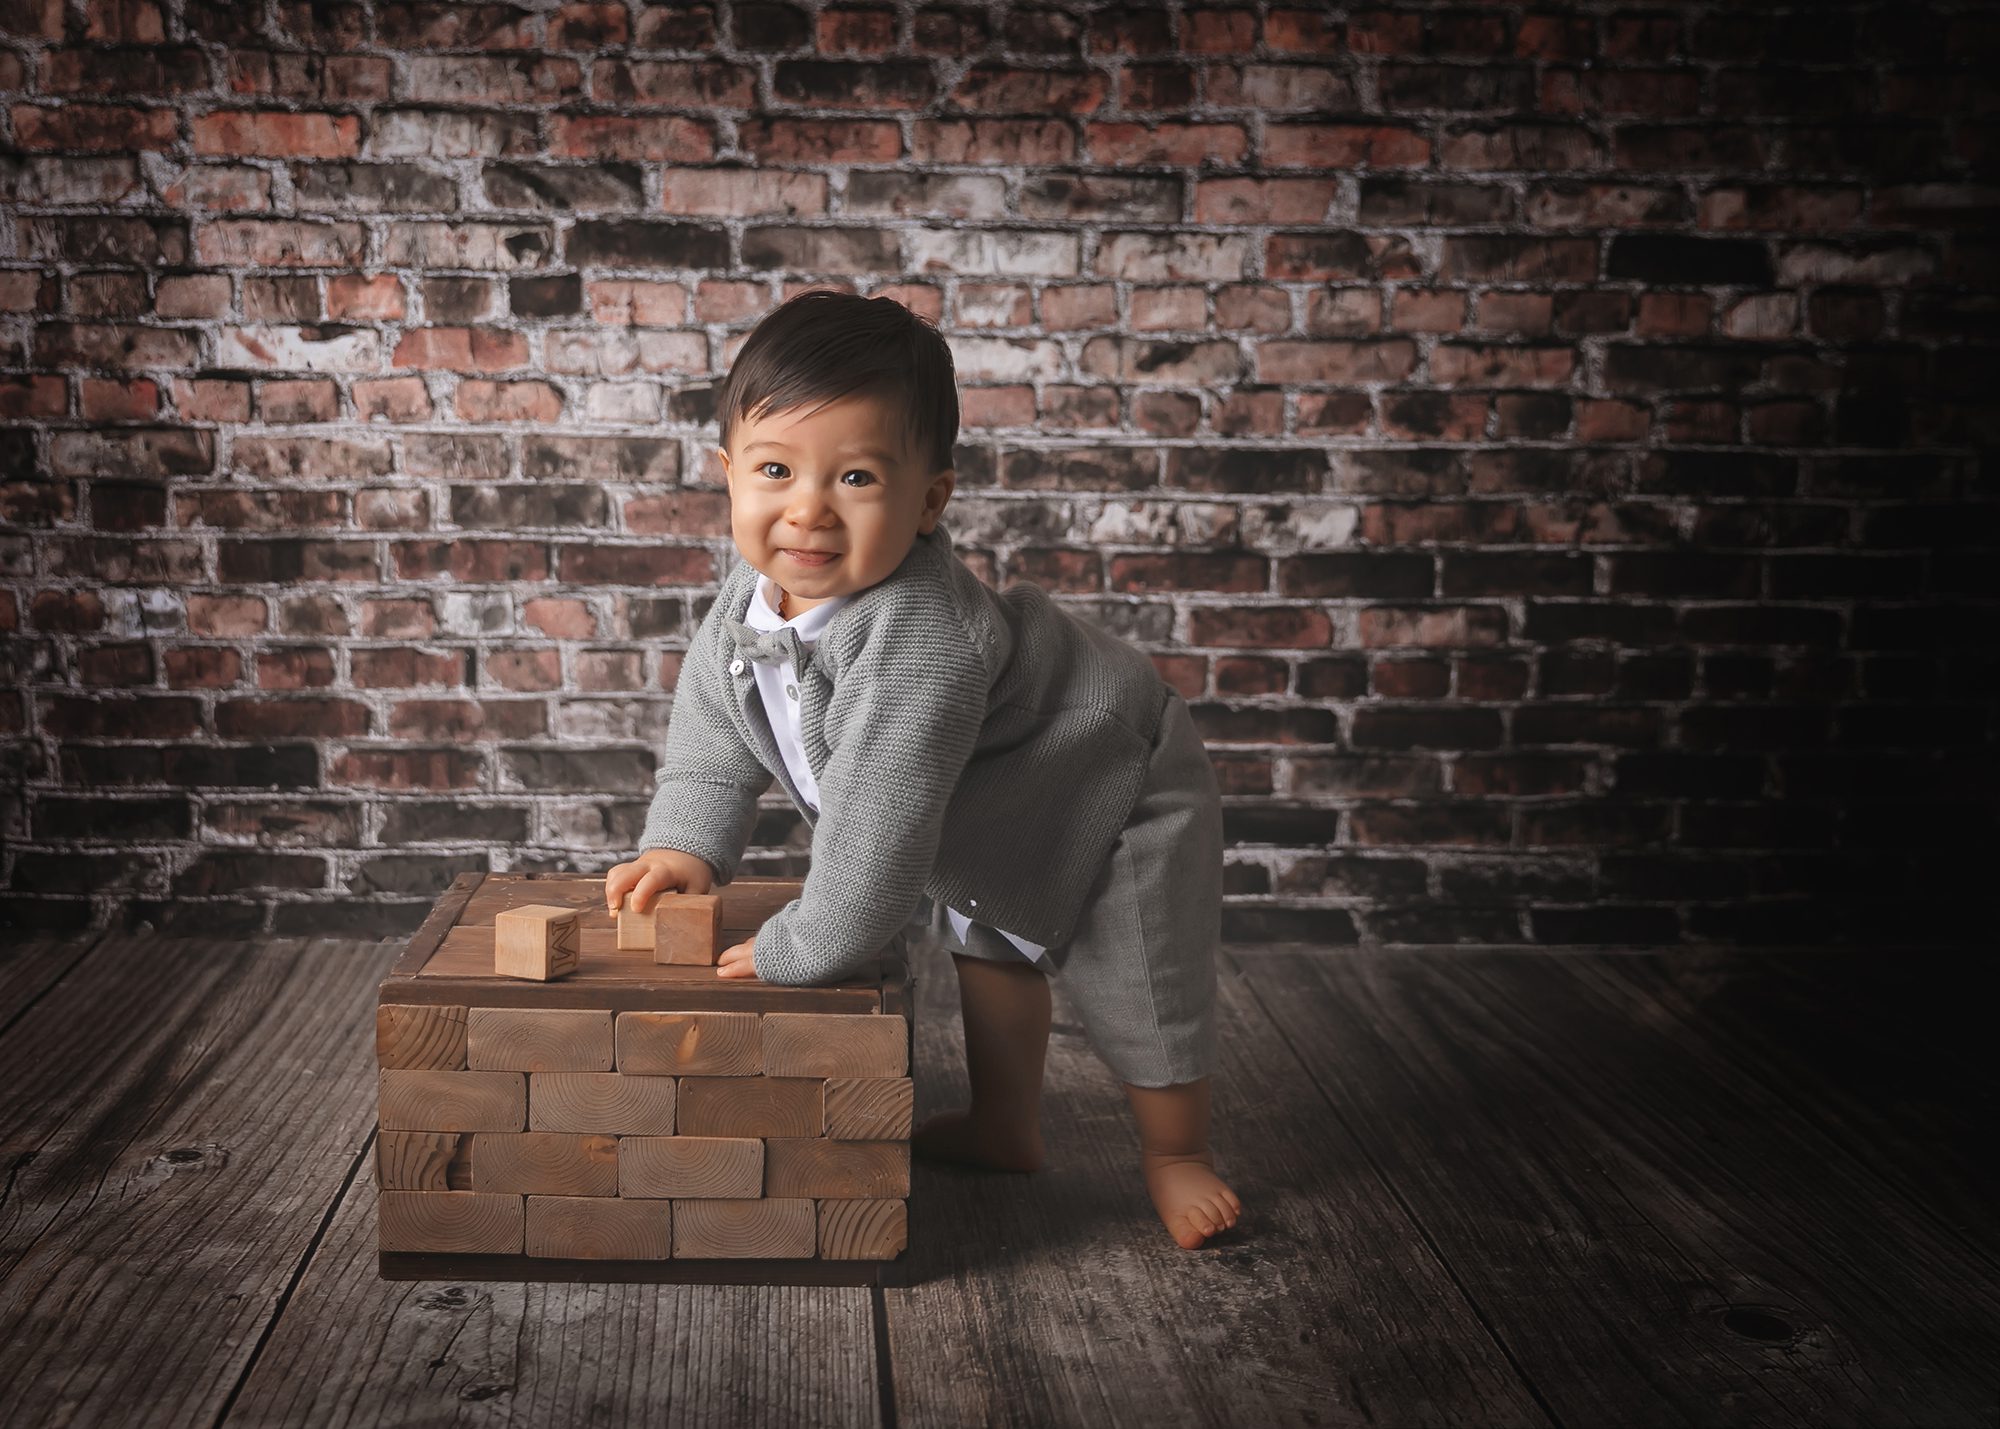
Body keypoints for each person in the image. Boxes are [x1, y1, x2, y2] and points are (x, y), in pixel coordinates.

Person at [604, 289, 1241, 1250]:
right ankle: (1005, 1125)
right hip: (996, 790)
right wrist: (688, 839)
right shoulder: (752, 592)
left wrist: (808, 944)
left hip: (1112, 774)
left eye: (857, 477)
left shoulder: (921, 635)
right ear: (728, 475)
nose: (807, 511)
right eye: (775, 469)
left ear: (930, 498)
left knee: (1141, 973)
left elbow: (881, 825)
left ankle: (1175, 1152)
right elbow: (712, 713)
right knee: (990, 944)